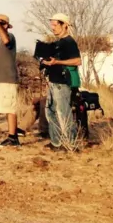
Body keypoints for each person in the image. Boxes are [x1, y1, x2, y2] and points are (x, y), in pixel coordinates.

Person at [42, 12, 82, 151]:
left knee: (64, 113)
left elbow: (78, 61)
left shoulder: (69, 42)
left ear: (64, 25)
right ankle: (56, 142)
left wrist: (57, 62)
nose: (52, 28)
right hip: (54, 82)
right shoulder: (58, 43)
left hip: (62, 83)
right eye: (51, 25)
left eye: (55, 25)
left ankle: (72, 144)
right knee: (51, 112)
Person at [0, 13, 20, 147]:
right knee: (7, 108)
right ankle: (11, 135)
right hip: (1, 80)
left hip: (8, 80)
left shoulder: (9, 37)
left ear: (5, 26)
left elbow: (6, 39)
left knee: (11, 108)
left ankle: (13, 138)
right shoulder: (0, 40)